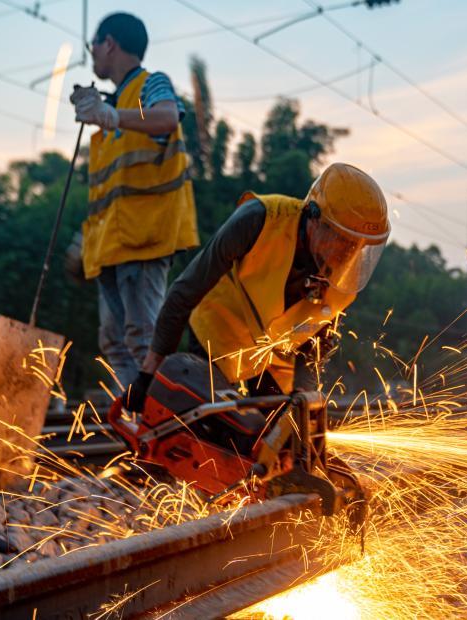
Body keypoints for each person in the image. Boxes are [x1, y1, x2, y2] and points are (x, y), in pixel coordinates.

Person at [124, 162, 390, 411]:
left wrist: (303, 397)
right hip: (218, 332)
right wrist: (149, 373)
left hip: (270, 358)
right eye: (343, 241)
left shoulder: (341, 277)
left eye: (357, 246)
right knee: (219, 433)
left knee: (280, 439)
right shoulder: (259, 219)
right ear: (314, 217)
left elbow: (315, 343)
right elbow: (185, 290)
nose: (348, 253)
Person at [69, 12, 198, 389]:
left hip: (144, 239)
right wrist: (85, 240)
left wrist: (110, 115)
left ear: (109, 43)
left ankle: (164, 427)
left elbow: (167, 116)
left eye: (94, 43)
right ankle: (137, 425)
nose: (92, 51)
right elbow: (112, 192)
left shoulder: (149, 84)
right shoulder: (117, 104)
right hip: (112, 245)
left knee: (143, 340)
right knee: (114, 341)